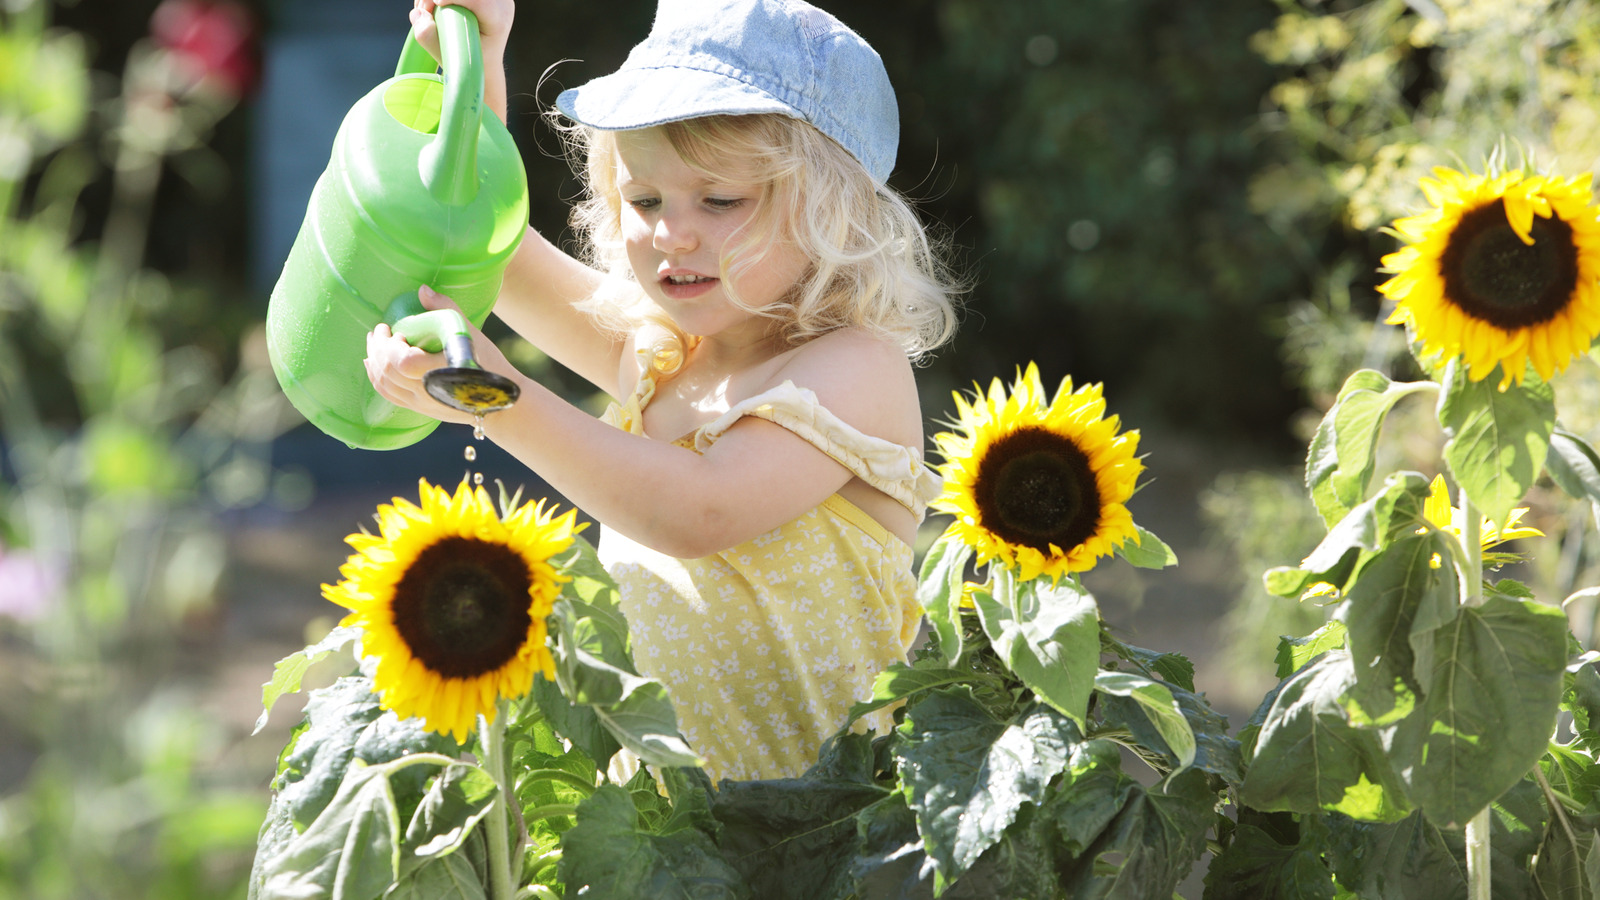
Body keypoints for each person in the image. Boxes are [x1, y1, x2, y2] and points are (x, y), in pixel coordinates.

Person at [366, 0, 961, 781]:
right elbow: (487, 238)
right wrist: (478, 57)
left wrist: (497, 397)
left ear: (834, 214)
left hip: (817, 834)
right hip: (664, 829)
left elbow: (697, 510)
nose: (670, 233)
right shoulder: (664, 356)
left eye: (720, 202)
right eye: (645, 200)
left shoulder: (852, 365)